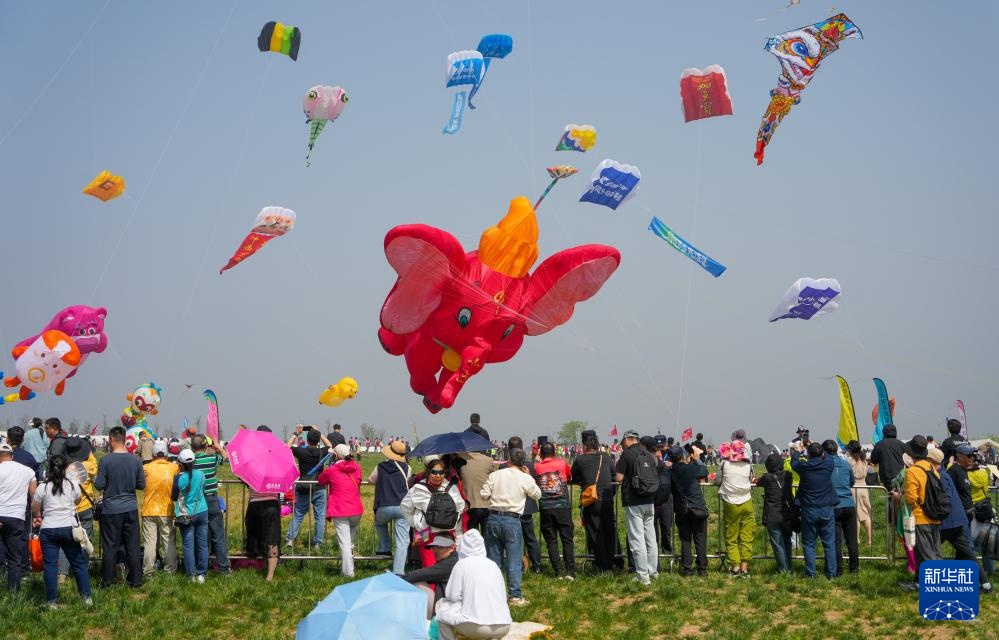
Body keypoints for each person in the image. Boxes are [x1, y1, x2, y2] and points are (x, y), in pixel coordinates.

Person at [30, 454, 92, 608]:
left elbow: (35, 507)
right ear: (66, 468)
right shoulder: (72, 484)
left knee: (50, 566)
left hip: (49, 528)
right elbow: (77, 500)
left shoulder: (43, 487)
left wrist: (38, 515)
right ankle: (86, 598)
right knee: (78, 563)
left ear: (49, 468)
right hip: (68, 527)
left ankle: (51, 601)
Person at [480, 448, 541, 605]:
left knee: (494, 560)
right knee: (513, 560)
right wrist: (529, 476)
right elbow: (537, 494)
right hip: (512, 519)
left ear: (509, 460)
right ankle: (514, 595)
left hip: (493, 517)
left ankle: (494, 594)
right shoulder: (524, 477)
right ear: (522, 463)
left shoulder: (495, 475)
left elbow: (484, 494)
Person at [931, 447, 992, 593]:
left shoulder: (962, 471)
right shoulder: (953, 471)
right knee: (965, 552)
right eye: (969, 455)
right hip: (954, 519)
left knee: (964, 552)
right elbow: (947, 496)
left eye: (973, 455)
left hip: (957, 519)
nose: (972, 458)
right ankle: (983, 584)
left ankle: (978, 583)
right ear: (959, 456)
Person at [434, 529, 512, 640]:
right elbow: (503, 596)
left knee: (441, 613)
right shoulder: (493, 565)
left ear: (462, 547)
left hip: (477, 626)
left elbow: (452, 596)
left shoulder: (461, 564)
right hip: (504, 625)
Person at [94, 426, 145, 588]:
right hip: (130, 507)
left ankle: (107, 580)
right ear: (124, 439)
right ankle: (136, 579)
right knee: (133, 545)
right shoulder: (136, 460)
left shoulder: (105, 460)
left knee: (110, 546)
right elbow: (141, 484)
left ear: (111, 439)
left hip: (111, 508)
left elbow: (99, 485)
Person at [402, 457, 466, 568]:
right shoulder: (417, 489)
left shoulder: (452, 488)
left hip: (447, 533)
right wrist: (416, 523)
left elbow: (460, 508)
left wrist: (458, 533)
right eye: (434, 472)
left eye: (441, 472)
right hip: (425, 533)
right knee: (429, 568)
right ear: (428, 472)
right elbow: (405, 508)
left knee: (447, 568)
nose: (438, 475)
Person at [614, 430, 658, 585]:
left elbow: (619, 477)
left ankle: (643, 576)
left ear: (627, 439)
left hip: (633, 501)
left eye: (623, 442)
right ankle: (653, 572)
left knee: (637, 539)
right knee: (650, 538)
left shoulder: (626, 455)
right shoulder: (648, 454)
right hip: (649, 499)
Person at [791, 441, 837, 579]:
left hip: (809, 509)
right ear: (822, 454)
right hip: (826, 508)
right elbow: (828, 456)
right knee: (829, 543)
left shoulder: (804, 467)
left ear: (808, 455)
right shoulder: (828, 465)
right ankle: (831, 573)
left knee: (809, 543)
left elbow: (794, 462)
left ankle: (811, 573)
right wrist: (818, 448)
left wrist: (798, 450)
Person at [243, 425, 282, 581]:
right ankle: (269, 575)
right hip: (271, 503)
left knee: (255, 536)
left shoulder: (251, 457)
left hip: (255, 502)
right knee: (272, 538)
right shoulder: (277, 457)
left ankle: (257, 564)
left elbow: (243, 477)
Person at [571, 435, 615, 571]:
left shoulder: (580, 459)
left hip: (592, 499)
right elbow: (613, 474)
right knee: (609, 530)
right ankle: (612, 562)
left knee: (595, 532)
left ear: (585, 447)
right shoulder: (605, 457)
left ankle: (602, 565)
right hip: (607, 498)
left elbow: (574, 476)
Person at [318, 444, 362, 577]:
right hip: (356, 509)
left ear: (336, 456)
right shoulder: (357, 467)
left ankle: (348, 573)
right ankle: (349, 566)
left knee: (345, 544)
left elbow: (321, 480)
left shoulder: (332, 470)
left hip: (341, 509)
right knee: (349, 542)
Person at [285, 425, 332, 549]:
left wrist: (296, 433)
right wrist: (318, 432)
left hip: (304, 486)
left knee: (299, 514)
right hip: (319, 486)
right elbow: (330, 445)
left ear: (307, 440)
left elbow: (287, 447)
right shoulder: (322, 451)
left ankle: (290, 539)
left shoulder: (301, 451)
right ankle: (317, 543)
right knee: (320, 516)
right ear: (318, 440)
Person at [533, 441, 575, 579]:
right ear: (554, 453)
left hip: (546, 508)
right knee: (567, 539)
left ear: (541, 453)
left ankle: (557, 571)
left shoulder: (536, 466)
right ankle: (570, 571)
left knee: (551, 541)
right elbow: (569, 476)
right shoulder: (562, 463)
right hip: (563, 507)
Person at [902, 435, 943, 575]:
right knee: (934, 552)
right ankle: (920, 581)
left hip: (920, 517)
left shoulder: (912, 471)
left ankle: (937, 584)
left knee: (927, 555)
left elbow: (911, 498)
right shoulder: (932, 468)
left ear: (911, 453)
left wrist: (903, 496)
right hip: (935, 516)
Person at [370, 440, 413, 574]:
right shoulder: (407, 468)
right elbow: (408, 482)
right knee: (402, 541)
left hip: (384, 505)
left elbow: (371, 480)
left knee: (379, 523)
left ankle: (384, 547)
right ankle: (398, 571)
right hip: (402, 506)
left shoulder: (380, 466)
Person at [190, 434, 231, 574]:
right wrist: (216, 445)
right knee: (218, 535)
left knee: (200, 536)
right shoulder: (212, 458)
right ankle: (224, 568)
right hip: (212, 500)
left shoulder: (191, 462)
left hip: (197, 501)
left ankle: (201, 567)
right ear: (205, 445)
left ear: (192, 447)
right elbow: (225, 456)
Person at [715, 439, 755, 578]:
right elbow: (750, 479)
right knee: (746, 535)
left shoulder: (724, 463)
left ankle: (735, 567)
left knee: (731, 535)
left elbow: (717, 480)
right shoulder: (748, 465)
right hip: (747, 501)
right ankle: (745, 568)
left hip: (730, 502)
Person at [0, 443, 36, 593]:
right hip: (17, 516)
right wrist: (37, 515)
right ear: (12, 456)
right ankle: (13, 590)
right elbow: (34, 495)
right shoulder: (28, 471)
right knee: (14, 556)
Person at [140, 441, 178, 576]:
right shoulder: (174, 468)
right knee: (168, 540)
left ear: (153, 455)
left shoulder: (146, 468)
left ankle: (148, 571)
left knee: (150, 542)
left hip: (149, 509)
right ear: (166, 454)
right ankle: (170, 569)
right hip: (166, 509)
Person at [670, 445, 708, 577]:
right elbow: (703, 471)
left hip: (682, 509)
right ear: (682, 456)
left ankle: (686, 568)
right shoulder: (691, 468)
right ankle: (702, 569)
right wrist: (696, 459)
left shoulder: (671, 472)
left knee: (685, 540)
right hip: (697, 507)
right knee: (700, 539)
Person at [402, 533, 460, 619]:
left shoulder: (450, 564)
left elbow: (418, 575)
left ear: (452, 548)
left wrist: (395, 579)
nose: (435, 550)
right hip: (453, 608)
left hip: (450, 612)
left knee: (418, 583)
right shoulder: (453, 560)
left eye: (440, 547)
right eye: (434, 547)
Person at [173, 449, 209, 583]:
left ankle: (191, 575)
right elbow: (202, 490)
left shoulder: (179, 478)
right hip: (202, 511)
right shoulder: (201, 474)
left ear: (180, 463)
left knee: (188, 545)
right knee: (202, 545)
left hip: (186, 514)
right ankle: (202, 573)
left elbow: (174, 496)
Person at [825, 440, 858, 576]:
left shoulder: (826, 466)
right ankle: (854, 568)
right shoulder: (846, 464)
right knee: (852, 539)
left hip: (834, 505)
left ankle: (838, 569)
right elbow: (852, 482)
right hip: (849, 504)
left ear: (825, 452)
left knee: (836, 541)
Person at [758, 453, 794, 574]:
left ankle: (784, 570)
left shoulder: (766, 478)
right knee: (787, 541)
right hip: (786, 513)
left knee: (778, 544)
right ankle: (789, 567)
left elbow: (758, 482)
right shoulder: (788, 475)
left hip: (772, 514)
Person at [457, 446, 494, 534]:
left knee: (471, 536)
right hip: (486, 504)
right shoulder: (488, 460)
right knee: (487, 536)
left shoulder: (461, 459)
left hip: (470, 504)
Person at [846, 440, 873, 546]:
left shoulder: (849, 460)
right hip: (864, 486)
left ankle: (856, 539)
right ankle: (869, 540)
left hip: (854, 487)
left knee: (856, 515)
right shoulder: (864, 459)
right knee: (866, 513)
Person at [652, 435, 674, 559]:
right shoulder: (650, 456)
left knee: (666, 525)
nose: (659, 449)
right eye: (657, 447)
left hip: (667, 495)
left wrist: (666, 463)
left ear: (665, 445)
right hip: (654, 495)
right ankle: (654, 551)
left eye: (662, 446)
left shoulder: (672, 454)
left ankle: (667, 551)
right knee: (653, 525)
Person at [870, 424, 905, 490]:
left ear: (884, 433)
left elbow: (873, 460)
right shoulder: (902, 444)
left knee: (889, 495)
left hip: (887, 478)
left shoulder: (879, 445)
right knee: (901, 495)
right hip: (901, 477)